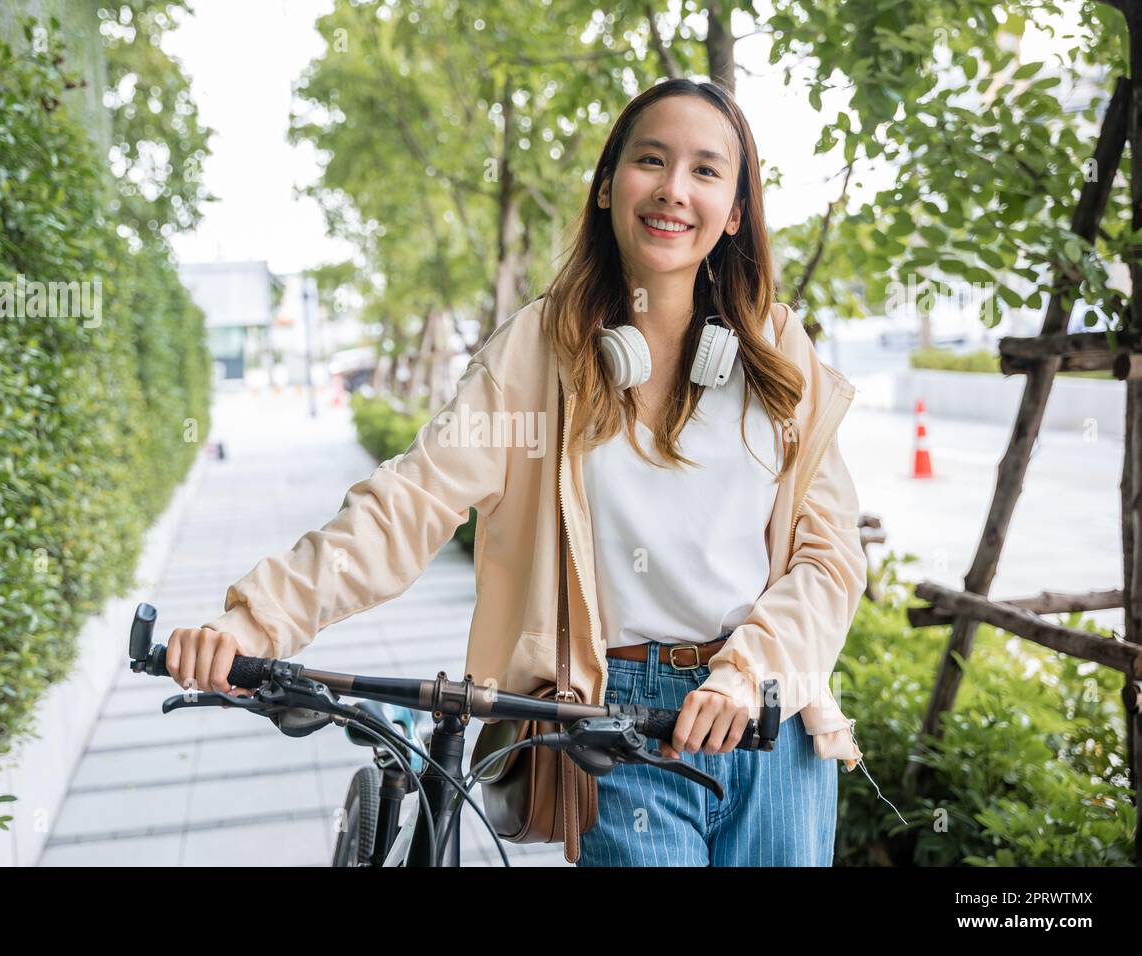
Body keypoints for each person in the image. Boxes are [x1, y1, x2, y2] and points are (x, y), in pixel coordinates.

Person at [165, 78, 868, 867]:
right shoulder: (541, 351)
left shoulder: (777, 349)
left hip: (770, 719)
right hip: (614, 730)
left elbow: (831, 554)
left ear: (735, 210)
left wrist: (749, 674)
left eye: (706, 171)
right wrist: (254, 622)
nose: (674, 189)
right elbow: (409, 500)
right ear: (607, 186)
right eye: (651, 160)